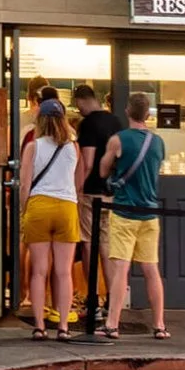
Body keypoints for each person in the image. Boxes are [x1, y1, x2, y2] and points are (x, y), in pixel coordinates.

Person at [97, 92, 169, 340]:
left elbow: (103, 168)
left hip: (124, 210)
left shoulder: (118, 140)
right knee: (151, 269)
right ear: (147, 114)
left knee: (121, 269)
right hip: (149, 213)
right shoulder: (158, 142)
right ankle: (159, 324)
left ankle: (112, 323)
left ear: (127, 111)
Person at [20, 98, 80, 339]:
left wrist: (26, 210)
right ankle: (63, 326)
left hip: (39, 205)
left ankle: (39, 326)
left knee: (39, 271)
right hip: (66, 206)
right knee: (64, 272)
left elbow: (25, 184)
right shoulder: (72, 147)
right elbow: (75, 178)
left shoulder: (33, 147)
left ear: (40, 120)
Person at [71, 84, 120, 310]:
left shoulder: (88, 124)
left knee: (89, 243)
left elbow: (87, 162)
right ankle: (112, 296)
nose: (77, 109)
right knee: (108, 246)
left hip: (90, 193)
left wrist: (76, 189)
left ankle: (92, 296)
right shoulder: (115, 122)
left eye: (77, 104)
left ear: (81, 100)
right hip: (110, 193)